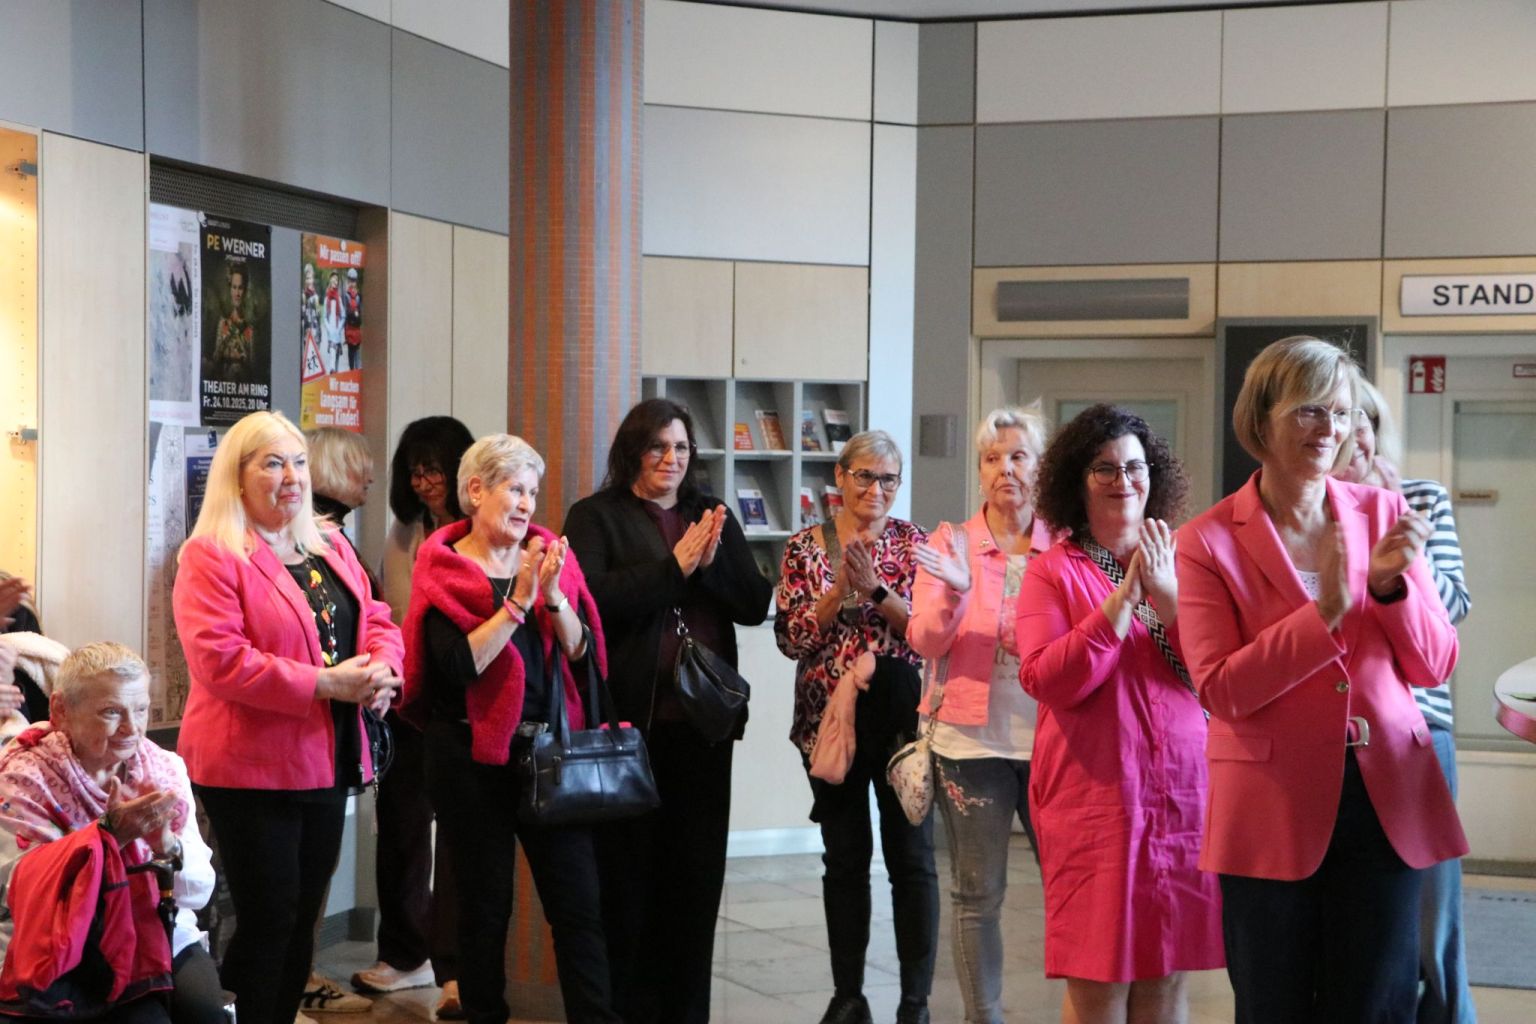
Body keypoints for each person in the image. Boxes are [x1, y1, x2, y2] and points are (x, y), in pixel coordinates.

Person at [1176, 336, 1467, 1022]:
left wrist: (1390, 590)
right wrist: (1326, 612)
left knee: (1377, 1003)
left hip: (1386, 795)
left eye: (1341, 413)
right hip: (1270, 806)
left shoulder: (1383, 513)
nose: (1330, 429)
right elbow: (1221, 688)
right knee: (1274, 1003)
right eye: (1309, 410)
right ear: (1262, 418)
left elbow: (1434, 663)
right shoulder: (1208, 540)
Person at [172, 411, 405, 1024]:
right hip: (250, 767)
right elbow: (221, 661)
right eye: (273, 464)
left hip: (327, 758)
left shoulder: (327, 542)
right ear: (237, 477)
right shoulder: (211, 554)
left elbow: (377, 618)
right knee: (269, 919)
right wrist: (327, 683)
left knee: (302, 920)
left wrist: (385, 669)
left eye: (298, 462)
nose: (291, 477)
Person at [563, 398, 773, 1024]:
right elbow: (591, 600)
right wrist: (673, 569)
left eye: (681, 448)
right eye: (658, 446)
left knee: (695, 883)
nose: (671, 459)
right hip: (629, 731)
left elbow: (753, 603)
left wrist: (706, 568)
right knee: (628, 885)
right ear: (633, 450)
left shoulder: (710, 514)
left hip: (703, 730)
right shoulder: (596, 516)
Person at [399, 434, 620, 1024]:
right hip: (470, 758)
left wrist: (553, 596)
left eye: (532, 492)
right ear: (476, 491)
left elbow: (582, 654)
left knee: (578, 905)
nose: (527, 504)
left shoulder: (550, 557)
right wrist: (517, 602)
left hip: (550, 753)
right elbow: (456, 666)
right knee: (484, 909)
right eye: (515, 489)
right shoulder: (443, 568)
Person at [1016, 404, 1222, 1024]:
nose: (1123, 480)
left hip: (1183, 794)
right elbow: (1047, 680)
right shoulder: (1051, 572)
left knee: (1167, 977)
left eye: (1134, 467)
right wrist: (1121, 603)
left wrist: (1169, 599)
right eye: (1104, 468)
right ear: (1077, 482)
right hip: (1094, 800)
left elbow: (1218, 677)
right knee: (1098, 980)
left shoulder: (1187, 561)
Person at [774, 430, 937, 1024]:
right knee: (844, 860)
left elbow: (929, 632)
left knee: (911, 860)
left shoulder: (918, 544)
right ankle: (849, 997)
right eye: (865, 475)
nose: (876, 489)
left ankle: (915, 1002)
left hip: (903, 729)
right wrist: (841, 590)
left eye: (888, 479)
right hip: (828, 726)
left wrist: (876, 590)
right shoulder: (805, 548)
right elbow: (791, 639)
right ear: (840, 477)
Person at [906, 407, 1055, 1024]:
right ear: (979, 470)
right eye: (993, 458)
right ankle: (982, 1016)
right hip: (971, 746)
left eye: (1018, 456)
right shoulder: (952, 544)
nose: (1005, 470)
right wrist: (958, 591)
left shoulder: (1066, 544)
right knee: (977, 895)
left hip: (1055, 743)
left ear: (1040, 467)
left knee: (1073, 891)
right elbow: (924, 639)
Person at [1335, 376, 1475, 1024]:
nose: (1355, 433)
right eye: (1341, 418)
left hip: (1419, 726)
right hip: (1335, 732)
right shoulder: (1305, 513)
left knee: (1431, 924)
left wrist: (1395, 525)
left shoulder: (1421, 497)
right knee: (1361, 931)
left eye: (1365, 419)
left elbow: (1454, 605)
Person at [0, 642, 220, 1024]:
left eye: (141, 709)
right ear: (61, 711)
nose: (132, 729)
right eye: (111, 712)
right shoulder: (23, 778)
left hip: (154, 926)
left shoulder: (165, 769)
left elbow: (198, 892)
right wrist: (108, 838)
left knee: (206, 1012)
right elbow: (18, 890)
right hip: (60, 942)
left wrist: (164, 845)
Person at [354, 416, 474, 1009]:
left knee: (458, 839)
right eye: (415, 471)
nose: (424, 482)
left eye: (435, 470)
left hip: (463, 703)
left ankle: (456, 967)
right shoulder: (403, 532)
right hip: (404, 701)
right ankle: (405, 954)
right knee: (400, 827)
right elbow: (388, 609)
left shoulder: (479, 531)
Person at [294, 427, 378, 1016]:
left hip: (339, 723)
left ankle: (301, 975)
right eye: (357, 466)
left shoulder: (338, 539)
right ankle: (292, 981)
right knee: (291, 888)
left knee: (314, 872)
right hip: (301, 725)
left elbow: (375, 615)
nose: (369, 477)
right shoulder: (308, 542)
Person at [211, 265, 254, 382]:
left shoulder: (249, 330)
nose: (237, 293)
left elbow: (252, 369)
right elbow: (215, 361)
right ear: (230, 289)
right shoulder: (223, 324)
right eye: (234, 287)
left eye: (240, 288)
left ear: (245, 291)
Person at [322, 270, 345, 375]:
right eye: (334, 279)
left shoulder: (338, 298)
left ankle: (335, 375)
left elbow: (343, 316)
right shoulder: (327, 299)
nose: (335, 281)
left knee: (336, 361)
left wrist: (339, 328)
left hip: (337, 334)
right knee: (332, 357)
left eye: (337, 280)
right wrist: (329, 328)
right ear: (330, 280)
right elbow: (324, 317)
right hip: (331, 334)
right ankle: (331, 372)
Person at [342, 269, 362, 371]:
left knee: (357, 355)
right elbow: (345, 313)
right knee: (351, 355)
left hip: (357, 329)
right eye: (350, 280)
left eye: (354, 281)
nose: (352, 283)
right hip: (349, 329)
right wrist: (345, 332)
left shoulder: (358, 296)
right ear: (348, 281)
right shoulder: (346, 296)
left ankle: (357, 373)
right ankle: (351, 372)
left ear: (356, 281)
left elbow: (360, 312)